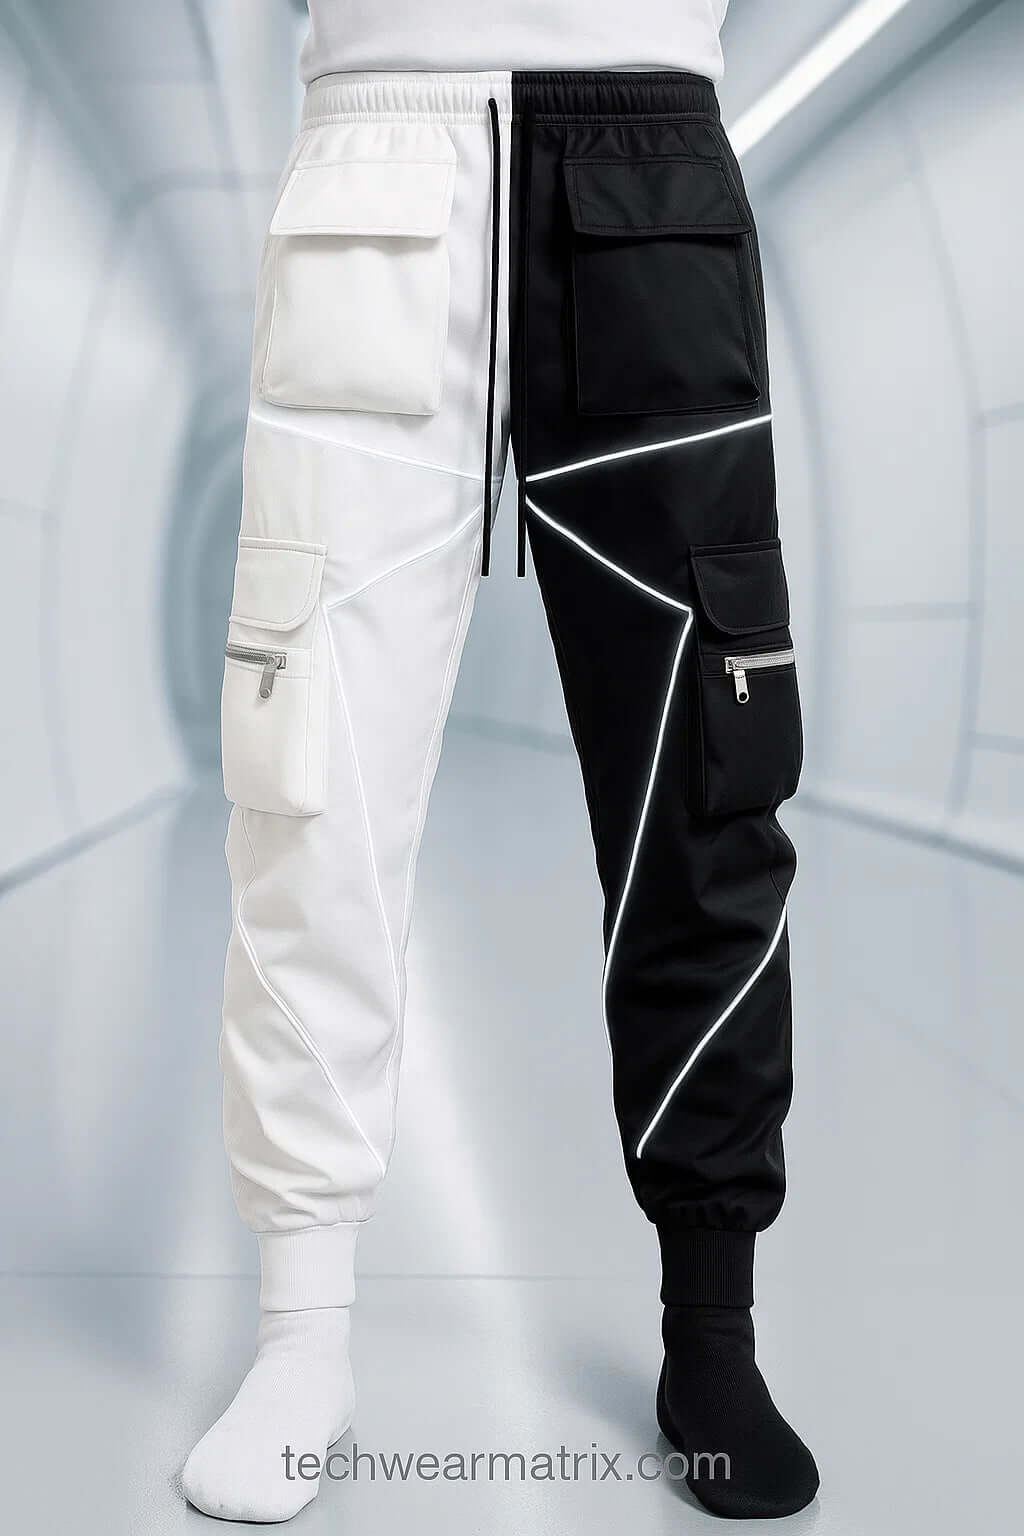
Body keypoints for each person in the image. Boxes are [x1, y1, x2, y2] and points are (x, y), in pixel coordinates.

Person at [183, 0, 819, 1521]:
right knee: (308, 784)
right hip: (374, 167)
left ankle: (712, 1325)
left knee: (702, 785)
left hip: (652, 166)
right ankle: (302, 1333)